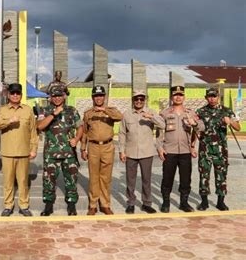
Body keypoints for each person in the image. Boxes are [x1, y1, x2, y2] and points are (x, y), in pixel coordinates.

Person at [157, 85, 204, 213]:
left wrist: (194, 124)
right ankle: (166, 202)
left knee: (185, 179)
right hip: (169, 151)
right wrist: (160, 148)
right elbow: (159, 133)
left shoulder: (190, 113)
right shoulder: (165, 113)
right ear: (172, 97)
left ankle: (184, 202)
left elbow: (201, 128)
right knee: (167, 178)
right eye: (175, 95)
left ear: (184, 97)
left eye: (180, 95)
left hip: (185, 151)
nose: (178, 97)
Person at [37, 86, 83, 216]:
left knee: (71, 179)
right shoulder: (44, 110)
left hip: (69, 153)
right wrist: (54, 114)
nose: (57, 98)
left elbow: (80, 126)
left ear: (64, 96)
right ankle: (48, 205)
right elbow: (39, 126)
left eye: (59, 95)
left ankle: (71, 205)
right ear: (51, 97)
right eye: (54, 96)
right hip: (51, 153)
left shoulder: (72, 110)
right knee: (48, 180)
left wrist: (77, 138)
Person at [0, 83, 38, 216]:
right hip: (7, 152)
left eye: (17, 93)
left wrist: (34, 148)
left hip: (24, 152)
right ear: (8, 95)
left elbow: (33, 131)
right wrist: (9, 121)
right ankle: (8, 205)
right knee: (8, 181)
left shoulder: (27, 110)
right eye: (12, 93)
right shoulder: (2, 110)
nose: (15, 95)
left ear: (21, 95)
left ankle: (24, 206)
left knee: (23, 181)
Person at [118, 90, 165, 214]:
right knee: (130, 180)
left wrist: (152, 117)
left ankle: (146, 203)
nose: (139, 101)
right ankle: (131, 203)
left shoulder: (151, 112)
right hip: (130, 151)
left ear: (145, 100)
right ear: (133, 100)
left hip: (146, 152)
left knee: (146, 179)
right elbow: (122, 133)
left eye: (141, 99)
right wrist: (121, 151)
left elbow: (162, 125)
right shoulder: (127, 114)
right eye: (136, 99)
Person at [195, 87, 241, 211]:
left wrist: (230, 121)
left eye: (214, 96)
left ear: (218, 97)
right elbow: (194, 129)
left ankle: (221, 202)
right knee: (204, 174)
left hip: (221, 150)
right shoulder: (200, 111)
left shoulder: (226, 111)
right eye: (209, 96)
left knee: (221, 175)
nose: (212, 99)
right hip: (205, 149)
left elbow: (238, 128)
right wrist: (192, 146)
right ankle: (204, 202)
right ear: (206, 98)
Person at [81, 85, 123, 215]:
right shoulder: (88, 113)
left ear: (104, 97)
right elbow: (85, 132)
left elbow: (119, 117)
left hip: (107, 146)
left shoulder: (111, 110)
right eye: (96, 96)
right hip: (93, 147)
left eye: (100, 95)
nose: (98, 98)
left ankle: (105, 204)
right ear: (92, 97)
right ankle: (93, 204)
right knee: (94, 176)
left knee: (106, 177)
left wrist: (104, 110)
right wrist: (83, 148)